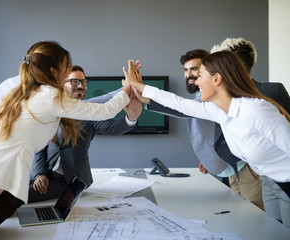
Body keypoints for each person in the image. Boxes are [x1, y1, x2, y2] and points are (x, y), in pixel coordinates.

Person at [0, 41, 131, 239]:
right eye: (66, 66)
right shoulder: (48, 95)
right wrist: (127, 90)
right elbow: (103, 110)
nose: (68, 72)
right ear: (53, 70)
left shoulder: (25, 92)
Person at [124, 52, 290, 228]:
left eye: (200, 75)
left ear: (217, 78)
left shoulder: (256, 110)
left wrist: (139, 85)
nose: (196, 82)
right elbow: (179, 103)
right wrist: (141, 87)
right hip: (274, 181)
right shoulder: (219, 111)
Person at [146, 48, 265, 210]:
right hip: (230, 169)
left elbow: (182, 109)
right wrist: (210, 154)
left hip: (244, 167)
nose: (189, 74)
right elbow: (217, 128)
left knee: (254, 215)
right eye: (186, 70)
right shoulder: (201, 96)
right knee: (241, 213)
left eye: (195, 69)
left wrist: (145, 98)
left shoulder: (215, 96)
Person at [28, 65, 142, 203]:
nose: (81, 86)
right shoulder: (50, 111)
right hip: (44, 173)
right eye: (75, 81)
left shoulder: (89, 112)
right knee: (8, 189)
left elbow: (112, 125)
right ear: (61, 84)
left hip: (69, 181)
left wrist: (132, 117)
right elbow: (39, 146)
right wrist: (40, 174)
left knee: (17, 197)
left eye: (83, 82)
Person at [210, 37, 290, 225]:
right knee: (271, 228)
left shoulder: (271, 91)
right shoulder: (225, 98)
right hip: (256, 175)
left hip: (278, 175)